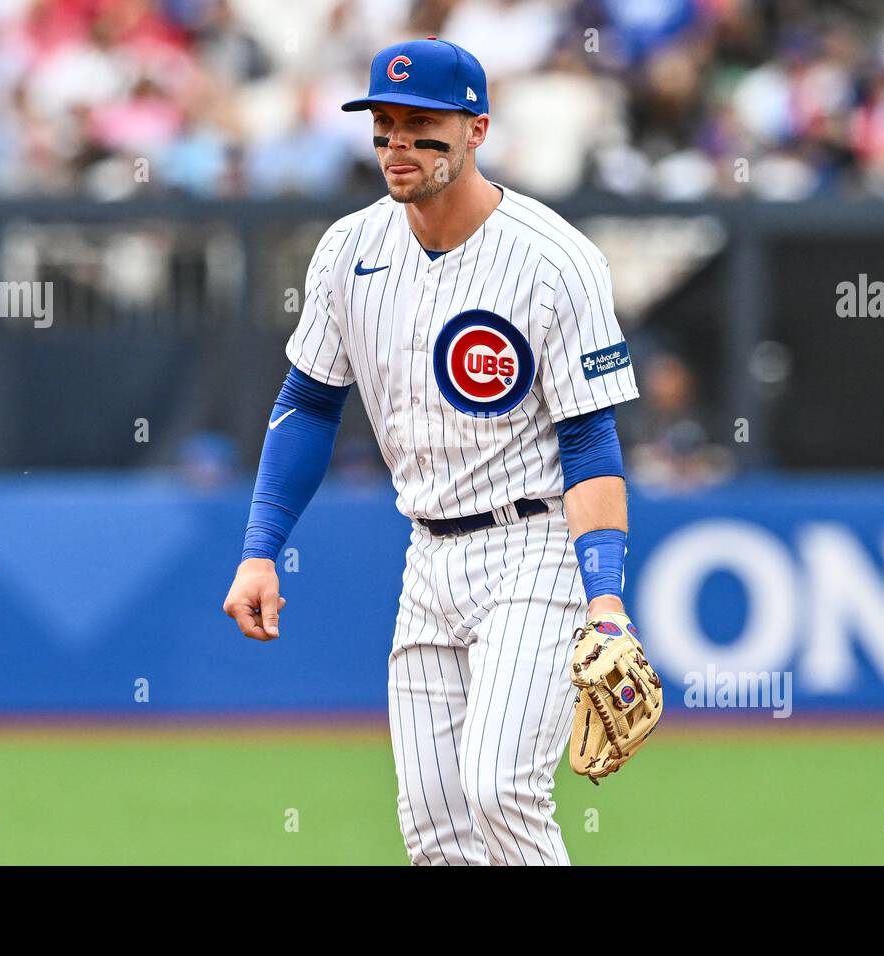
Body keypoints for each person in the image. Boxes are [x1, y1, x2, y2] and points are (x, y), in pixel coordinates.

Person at [222, 37, 639, 866]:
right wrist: (260, 551)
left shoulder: (555, 259)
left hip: (534, 548)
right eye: (384, 124)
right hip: (428, 556)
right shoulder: (349, 249)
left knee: (498, 790)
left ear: (477, 128)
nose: (398, 143)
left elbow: (590, 439)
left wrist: (606, 599)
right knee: (437, 833)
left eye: (422, 125)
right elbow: (308, 402)